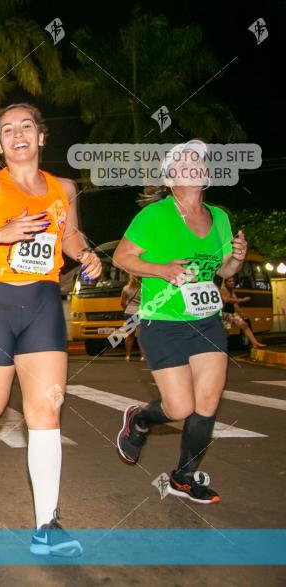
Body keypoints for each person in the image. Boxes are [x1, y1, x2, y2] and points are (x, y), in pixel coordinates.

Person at [0, 103, 102, 557]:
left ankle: (46, 525)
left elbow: (69, 237)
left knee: (46, 412)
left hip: (43, 305)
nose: (17, 135)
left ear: (41, 137)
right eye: (7, 130)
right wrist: (3, 232)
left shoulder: (64, 188)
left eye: (25, 126)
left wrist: (85, 254)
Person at [114, 139, 248, 506]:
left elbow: (223, 271)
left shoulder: (218, 217)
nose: (198, 164)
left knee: (207, 401)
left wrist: (237, 258)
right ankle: (140, 419)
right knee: (180, 408)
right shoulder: (155, 216)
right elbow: (122, 256)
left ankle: (183, 477)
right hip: (163, 322)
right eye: (189, 160)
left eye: (202, 160)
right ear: (172, 174)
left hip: (206, 320)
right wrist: (161, 270)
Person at [220, 275, 266, 348]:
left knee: (244, 325)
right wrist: (242, 300)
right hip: (225, 313)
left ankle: (255, 343)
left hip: (232, 313)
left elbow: (235, 303)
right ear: (225, 282)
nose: (232, 283)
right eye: (230, 281)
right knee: (226, 332)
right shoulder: (223, 289)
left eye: (233, 281)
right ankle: (219, 348)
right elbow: (227, 300)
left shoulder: (231, 290)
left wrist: (241, 312)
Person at [120, 275, 142, 361]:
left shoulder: (126, 288)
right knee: (141, 336)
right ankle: (142, 356)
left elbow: (122, 302)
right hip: (140, 313)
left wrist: (127, 309)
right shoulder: (143, 289)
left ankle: (128, 356)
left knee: (130, 336)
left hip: (129, 313)